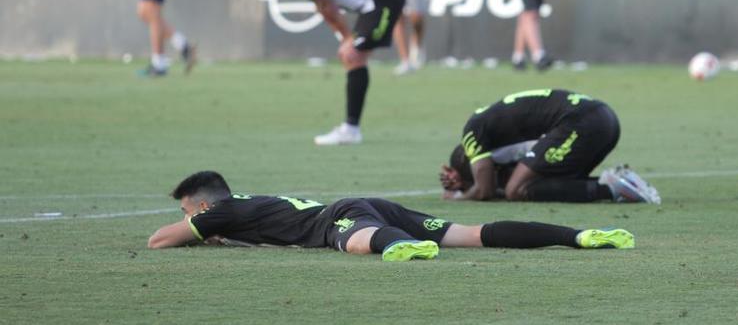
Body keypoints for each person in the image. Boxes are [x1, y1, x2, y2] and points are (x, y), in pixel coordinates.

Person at [147, 170, 636, 260]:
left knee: (354, 241)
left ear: (203, 205)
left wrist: (192, 229)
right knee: (471, 234)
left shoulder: (221, 211)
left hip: (341, 217)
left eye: (189, 211)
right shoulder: (245, 207)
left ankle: (396, 246)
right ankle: (578, 236)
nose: (190, 219)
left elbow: (159, 241)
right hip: (365, 205)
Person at [244, 0, 405, 145]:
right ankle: (351, 128)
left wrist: (347, 38)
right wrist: (345, 37)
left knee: (352, 55)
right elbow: (323, 6)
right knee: (351, 56)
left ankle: (351, 130)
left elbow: (326, 5)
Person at [440, 89, 661, 203]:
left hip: (580, 121)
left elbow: (485, 189)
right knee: (541, 184)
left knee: (515, 190)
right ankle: (623, 184)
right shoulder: (496, 134)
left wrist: (461, 195)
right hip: (602, 118)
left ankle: (613, 189)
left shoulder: (472, 134)